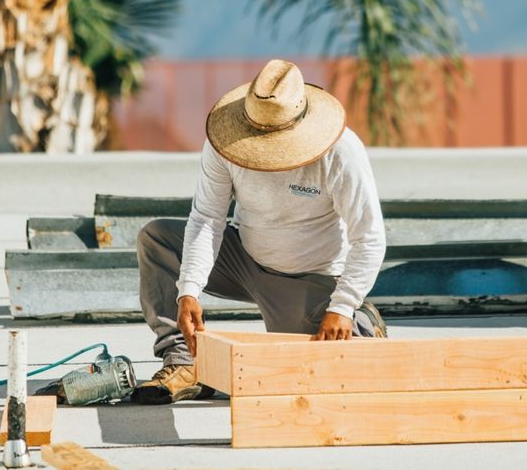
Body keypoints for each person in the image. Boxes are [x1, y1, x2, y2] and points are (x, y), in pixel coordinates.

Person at [133, 59, 388, 404]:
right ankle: (184, 362)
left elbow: (369, 238)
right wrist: (188, 289)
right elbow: (208, 217)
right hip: (244, 261)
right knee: (157, 239)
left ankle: (361, 322)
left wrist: (342, 307)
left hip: (306, 277)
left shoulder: (341, 152)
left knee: (306, 375)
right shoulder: (225, 142)